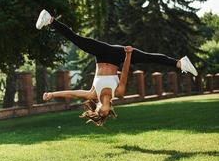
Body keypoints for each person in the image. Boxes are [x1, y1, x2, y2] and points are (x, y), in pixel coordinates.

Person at [36, 9, 198, 126]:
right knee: (147, 57)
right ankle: (180, 63)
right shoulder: (118, 93)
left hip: (101, 53)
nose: (102, 111)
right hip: (118, 57)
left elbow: (71, 93)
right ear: (109, 109)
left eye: (99, 112)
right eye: (104, 114)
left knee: (77, 40)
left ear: (97, 107)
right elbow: (126, 73)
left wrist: (52, 94)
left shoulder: (93, 94)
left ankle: (50, 19)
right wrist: (127, 55)